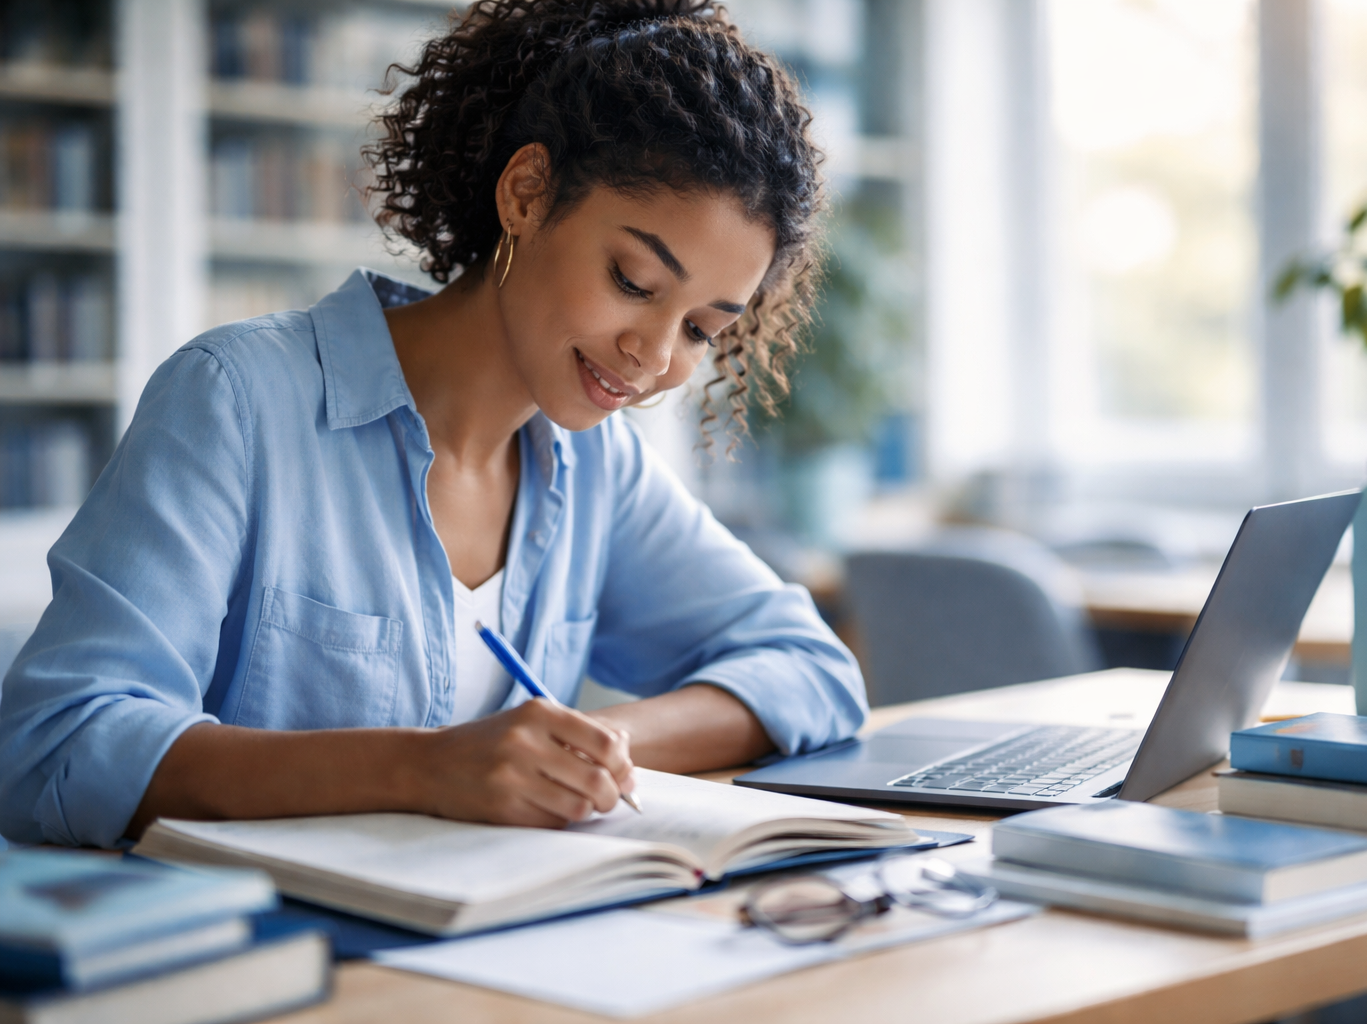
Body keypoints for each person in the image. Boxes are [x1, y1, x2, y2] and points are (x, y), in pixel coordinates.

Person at [0, 0, 866, 849]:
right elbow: (55, 746)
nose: (654, 355)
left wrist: (584, 756)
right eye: (634, 281)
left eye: (700, 329)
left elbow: (809, 667)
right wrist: (423, 769)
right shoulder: (236, 400)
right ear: (527, 194)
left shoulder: (598, 469)